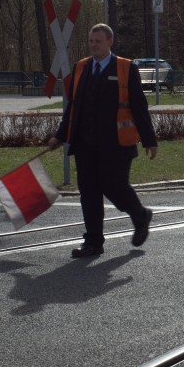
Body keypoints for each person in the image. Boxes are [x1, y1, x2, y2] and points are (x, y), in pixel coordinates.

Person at [48, 23, 159, 258]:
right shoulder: (80, 68)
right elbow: (73, 109)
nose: (93, 45)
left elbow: (139, 107)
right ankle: (93, 242)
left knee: (114, 187)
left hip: (117, 144)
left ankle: (140, 215)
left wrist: (150, 139)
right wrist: (60, 136)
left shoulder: (126, 68)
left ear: (110, 42)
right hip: (85, 144)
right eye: (91, 41)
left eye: (98, 41)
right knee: (89, 192)